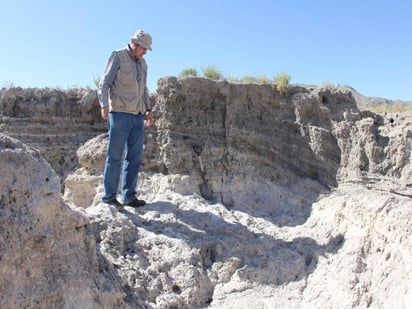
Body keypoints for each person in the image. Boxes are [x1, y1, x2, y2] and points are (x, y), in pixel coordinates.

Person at [97, 29, 153, 208]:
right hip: (119, 114)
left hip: (137, 116)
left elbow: (143, 89)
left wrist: (148, 109)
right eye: (143, 48)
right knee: (114, 157)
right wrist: (104, 104)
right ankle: (109, 197)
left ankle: (129, 197)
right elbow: (104, 83)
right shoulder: (118, 56)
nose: (145, 52)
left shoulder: (143, 64)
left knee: (134, 158)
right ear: (135, 44)